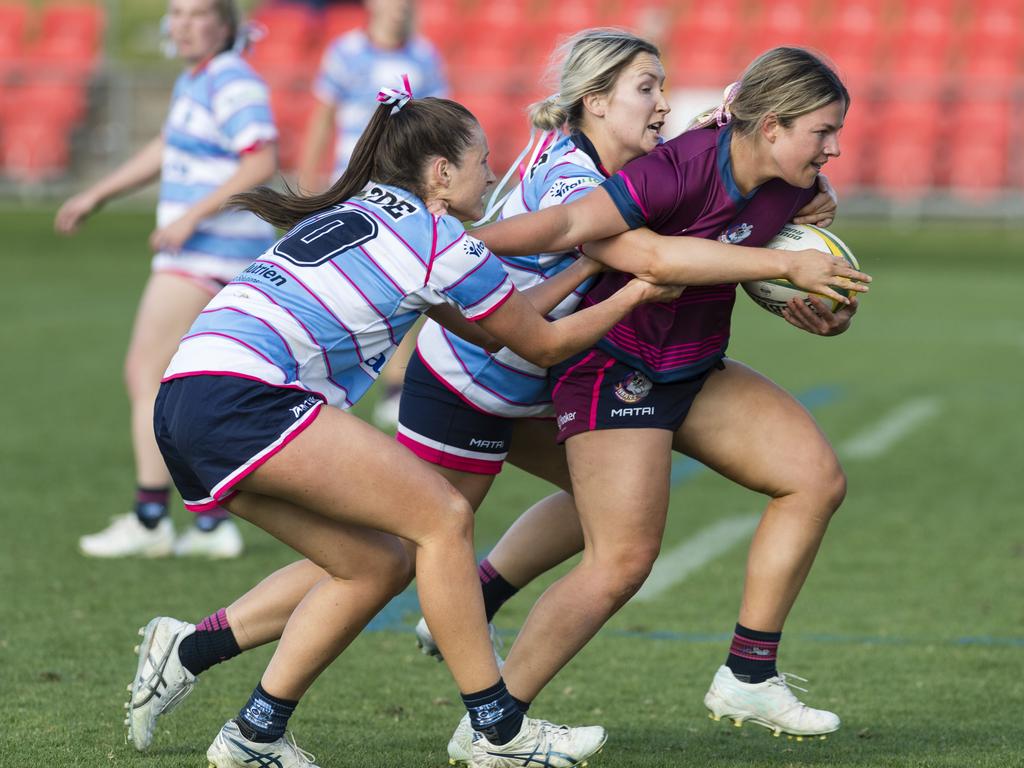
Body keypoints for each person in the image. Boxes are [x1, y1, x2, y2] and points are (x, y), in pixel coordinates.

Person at [121, 34, 865, 764]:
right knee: (420, 537)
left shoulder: (450, 201)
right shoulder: (546, 190)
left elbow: (693, 172)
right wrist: (707, 271)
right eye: (647, 88)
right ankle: (491, 724)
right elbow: (582, 291)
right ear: (595, 102)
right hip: (469, 387)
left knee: (465, 543)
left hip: (475, 371)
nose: (664, 103)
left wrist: (780, 180)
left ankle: (256, 689)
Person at [131, 78, 683, 768]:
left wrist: (582, 263)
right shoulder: (438, 240)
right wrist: (637, 289)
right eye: (482, 159)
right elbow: (539, 345)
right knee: (443, 517)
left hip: (189, 398)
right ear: (441, 172)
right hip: (244, 396)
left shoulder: (373, 209)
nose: (492, 170)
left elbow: (496, 331)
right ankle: (498, 731)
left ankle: (253, 732)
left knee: (373, 564)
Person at [460, 45, 863, 745]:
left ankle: (749, 674)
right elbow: (567, 226)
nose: (833, 148)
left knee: (814, 481)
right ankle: (494, 729)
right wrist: (451, 243)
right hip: (614, 368)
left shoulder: (794, 187)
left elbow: (758, 260)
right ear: (770, 125)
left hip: (694, 365)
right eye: (821, 132)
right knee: (620, 562)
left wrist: (817, 309)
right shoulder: (678, 167)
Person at [54, 0, 278, 559]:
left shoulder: (229, 78)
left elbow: (261, 160)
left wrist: (189, 217)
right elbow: (169, 145)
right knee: (185, 383)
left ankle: (154, 518)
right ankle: (205, 524)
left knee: (148, 372)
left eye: (196, 13)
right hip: (204, 253)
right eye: (175, 13)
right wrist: (98, 193)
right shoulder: (198, 79)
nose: (181, 24)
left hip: (208, 255)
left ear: (223, 26)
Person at [298, 0, 448, 427]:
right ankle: (318, 378)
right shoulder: (345, 52)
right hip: (353, 191)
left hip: (403, 192)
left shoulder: (424, 55)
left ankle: (397, 386)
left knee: (405, 285)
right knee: (337, 287)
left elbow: (439, 125)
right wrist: (310, 186)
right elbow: (321, 119)